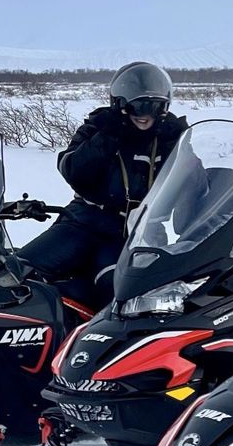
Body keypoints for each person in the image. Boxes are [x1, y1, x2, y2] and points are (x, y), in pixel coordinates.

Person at [18, 62, 188, 309]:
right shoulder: (100, 125)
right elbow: (73, 170)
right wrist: (107, 137)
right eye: (138, 105)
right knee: (18, 272)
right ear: (120, 103)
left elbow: (192, 184)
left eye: (154, 105)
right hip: (83, 221)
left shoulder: (172, 136)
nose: (145, 114)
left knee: (121, 294)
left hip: (137, 235)